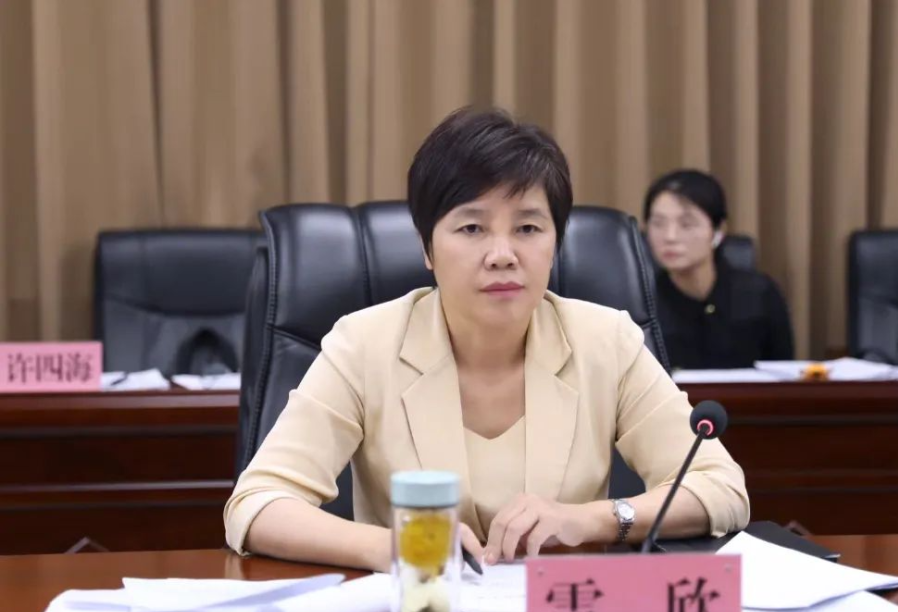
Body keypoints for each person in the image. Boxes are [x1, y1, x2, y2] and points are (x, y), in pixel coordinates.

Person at [224, 110, 749, 572]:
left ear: (555, 243)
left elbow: (721, 489)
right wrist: (397, 547)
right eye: (472, 229)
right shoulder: (364, 343)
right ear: (427, 247)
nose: (502, 254)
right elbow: (258, 502)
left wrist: (594, 519)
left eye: (528, 228)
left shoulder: (605, 341)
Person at [644, 170, 794, 370]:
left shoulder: (760, 295)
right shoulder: (642, 305)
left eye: (686, 224)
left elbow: (783, 373)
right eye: (658, 224)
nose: (670, 236)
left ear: (718, 231)